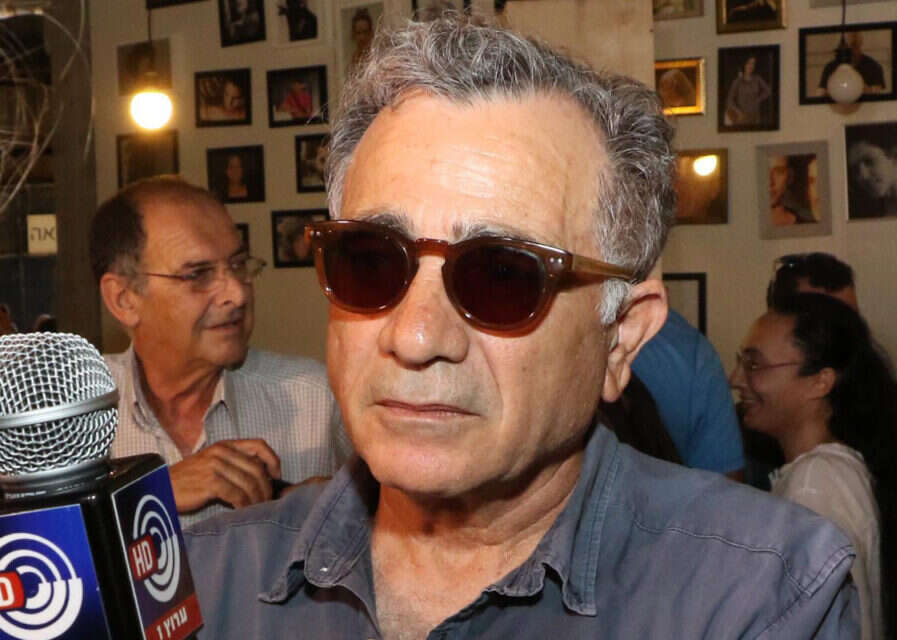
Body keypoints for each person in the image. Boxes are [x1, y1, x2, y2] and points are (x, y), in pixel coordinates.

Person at [184, 16, 858, 638]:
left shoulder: (763, 594)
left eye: (501, 276)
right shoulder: (198, 587)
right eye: (370, 263)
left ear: (621, 336)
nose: (415, 337)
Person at [90, 176, 352, 526]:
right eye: (198, 275)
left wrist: (340, 516)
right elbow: (33, 545)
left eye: (239, 265)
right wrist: (152, 494)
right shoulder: (72, 415)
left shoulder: (316, 400)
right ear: (124, 300)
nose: (237, 294)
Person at [731, 293, 897, 639]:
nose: (736, 379)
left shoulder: (816, 484)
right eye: (741, 362)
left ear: (820, 381)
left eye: (755, 365)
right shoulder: (829, 472)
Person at [766, 252, 897, 507]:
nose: (844, 335)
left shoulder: (884, 399)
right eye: (822, 321)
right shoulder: (754, 415)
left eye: (850, 319)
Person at [630, 309, 744, 477]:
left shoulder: (688, 351)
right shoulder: (688, 350)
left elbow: (725, 480)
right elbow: (725, 482)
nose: (735, 380)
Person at [846, 127, 897, 219]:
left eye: (869, 161)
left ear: (895, 156)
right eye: (855, 168)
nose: (862, 176)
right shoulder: (869, 212)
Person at [817, 31, 885, 96]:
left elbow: (878, 93)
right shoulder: (830, 67)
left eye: (855, 46)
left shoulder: (873, 66)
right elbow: (820, 93)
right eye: (848, 47)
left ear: (860, 44)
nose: (851, 51)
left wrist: (863, 89)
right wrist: (833, 90)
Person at [723, 54, 771, 127]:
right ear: (744, 64)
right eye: (749, 63)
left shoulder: (757, 79)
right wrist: (738, 112)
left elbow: (768, 91)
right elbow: (729, 100)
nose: (751, 66)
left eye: (753, 64)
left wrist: (759, 99)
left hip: (755, 117)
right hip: (741, 118)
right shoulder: (737, 81)